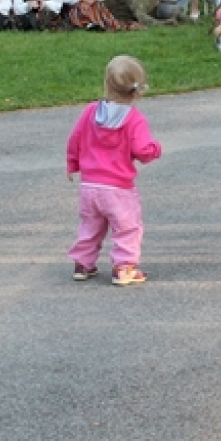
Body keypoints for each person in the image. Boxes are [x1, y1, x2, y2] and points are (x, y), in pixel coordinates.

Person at [66, 55, 162, 286]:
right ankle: (124, 267)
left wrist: (72, 163)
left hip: (89, 186)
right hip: (118, 188)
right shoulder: (134, 119)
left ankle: (83, 264)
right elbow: (142, 149)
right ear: (137, 91)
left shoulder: (90, 111)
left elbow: (75, 139)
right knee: (127, 226)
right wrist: (154, 149)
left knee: (90, 225)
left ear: (107, 84)